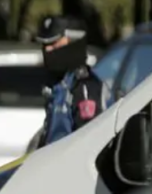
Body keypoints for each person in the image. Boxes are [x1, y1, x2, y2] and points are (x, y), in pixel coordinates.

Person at [34, 14, 112, 149]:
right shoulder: (57, 85)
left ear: (73, 41)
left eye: (53, 44)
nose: (47, 50)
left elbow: (88, 145)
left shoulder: (85, 88)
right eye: (44, 45)